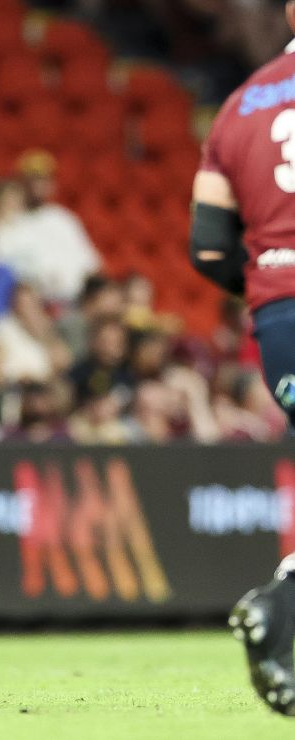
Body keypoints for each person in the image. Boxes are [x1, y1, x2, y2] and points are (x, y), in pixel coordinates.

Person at [194, 0, 295, 717]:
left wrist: (267, 281)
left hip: (278, 315)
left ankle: (283, 613)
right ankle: (281, 606)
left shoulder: (237, 107)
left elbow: (206, 246)